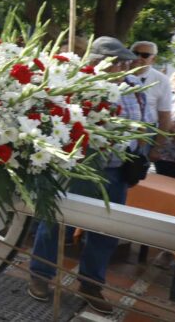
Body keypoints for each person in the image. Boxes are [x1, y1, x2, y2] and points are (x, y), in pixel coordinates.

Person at [28, 36, 149, 314]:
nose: (121, 66)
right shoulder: (78, 84)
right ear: (97, 62)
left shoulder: (134, 89)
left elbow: (146, 124)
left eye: (123, 61)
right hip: (78, 168)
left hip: (116, 171)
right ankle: (40, 274)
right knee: (57, 224)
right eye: (115, 61)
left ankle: (91, 283)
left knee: (107, 230)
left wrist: (140, 141)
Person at [130, 41, 173, 134]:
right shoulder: (119, 72)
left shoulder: (162, 80)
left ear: (153, 59)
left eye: (145, 55)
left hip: (146, 130)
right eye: (135, 53)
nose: (138, 58)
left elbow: (165, 116)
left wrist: (157, 147)